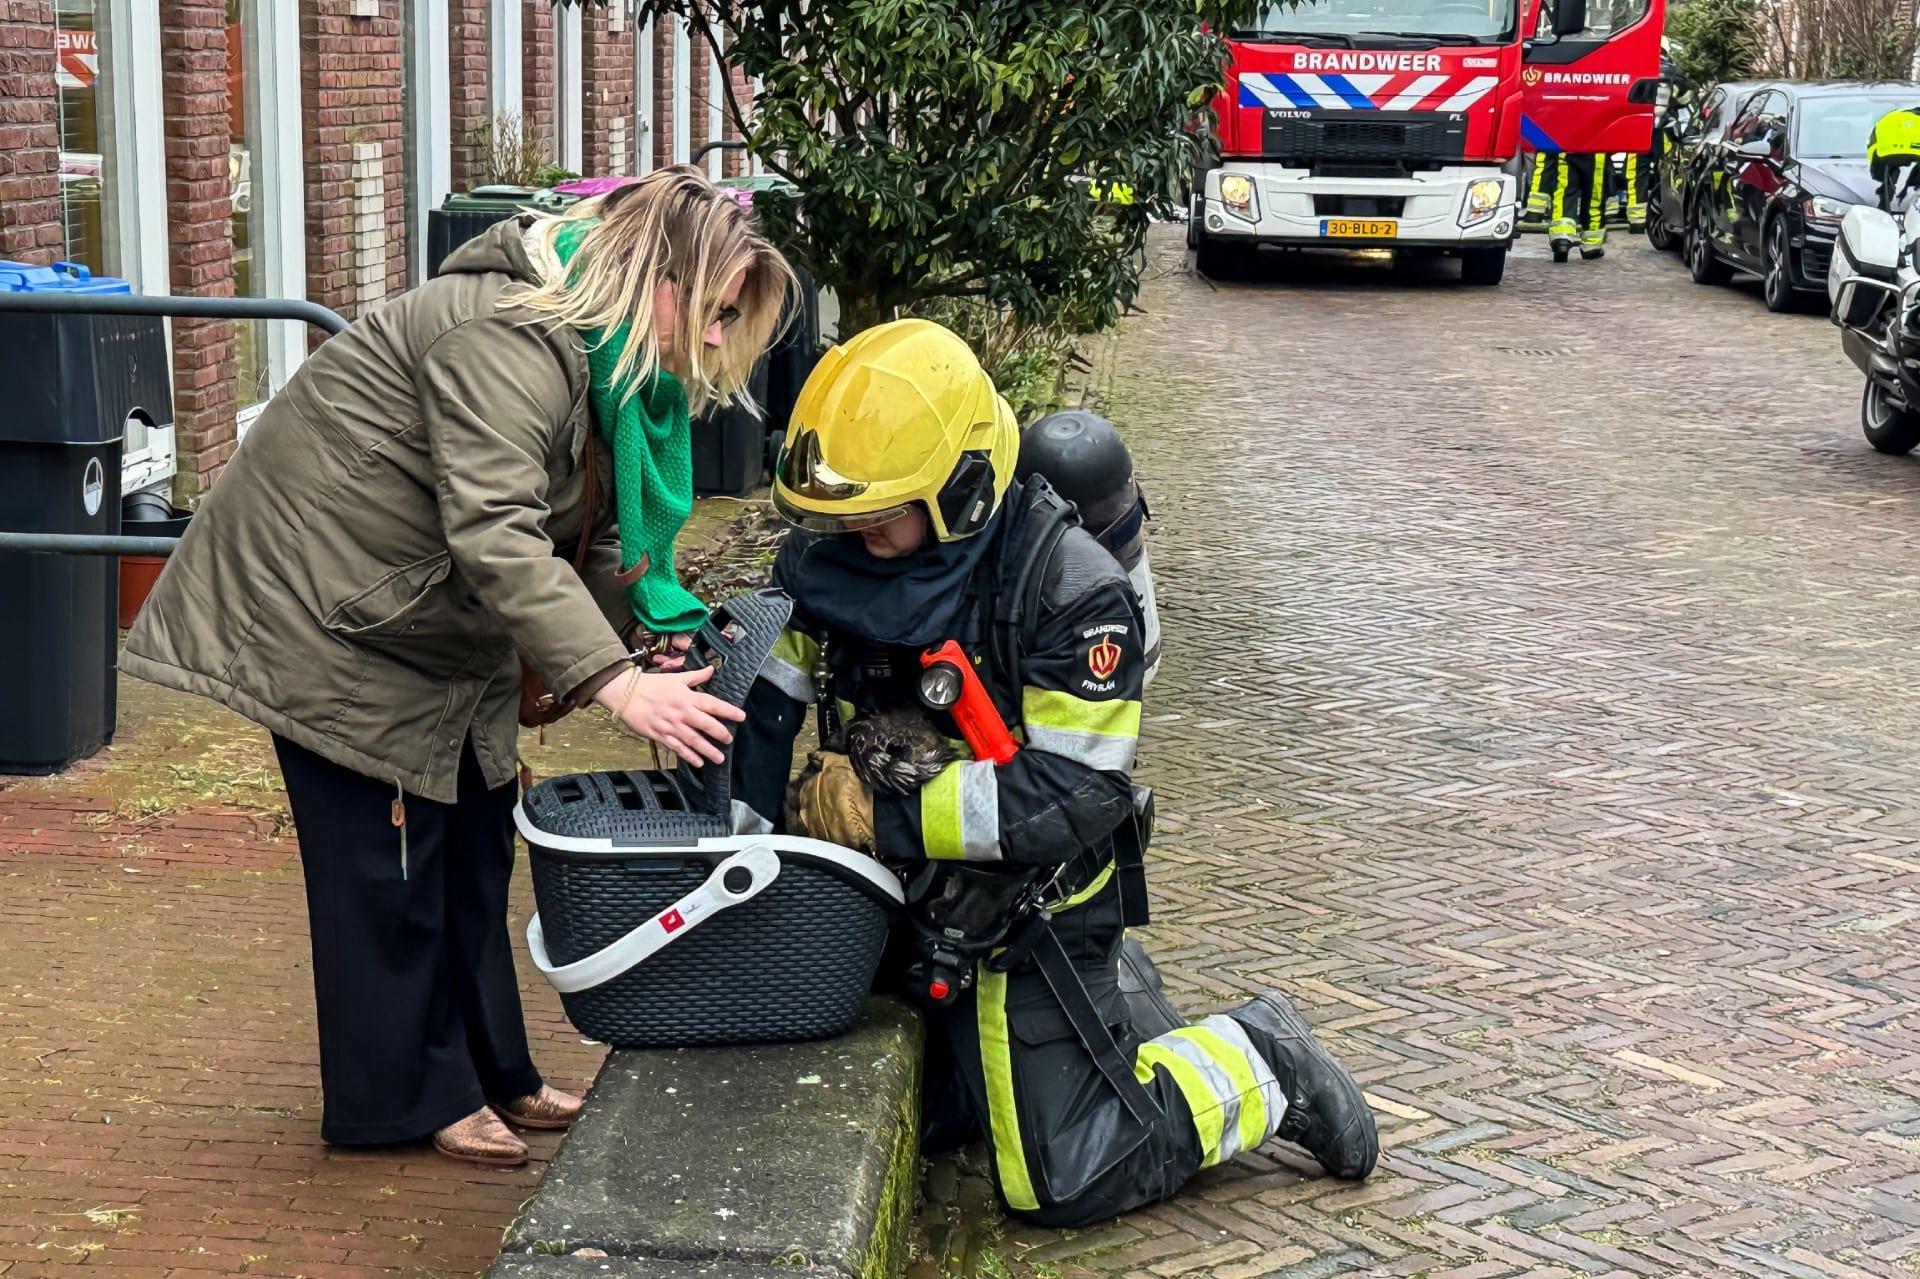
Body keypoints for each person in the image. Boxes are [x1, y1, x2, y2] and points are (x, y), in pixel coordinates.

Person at [123, 166, 794, 1166]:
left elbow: (603, 535)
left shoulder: (612, 369)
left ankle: (495, 1069)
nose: (712, 338)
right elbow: (498, 532)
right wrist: (615, 683)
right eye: (711, 308)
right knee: (386, 867)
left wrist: (659, 631)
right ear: (655, 273)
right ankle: (400, 1098)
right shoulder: (505, 338)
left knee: (479, 840)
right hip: (333, 615)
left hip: (430, 618)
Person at [732, 319, 1379, 1227]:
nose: (855, 536)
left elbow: (1074, 793)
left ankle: (1265, 1055)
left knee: (1061, 1177)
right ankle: (1115, 1015)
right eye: (841, 520)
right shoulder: (836, 564)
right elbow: (764, 707)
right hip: (907, 896)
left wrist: (885, 819)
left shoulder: (1070, 591)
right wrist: (746, 851)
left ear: (958, 488)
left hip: (1030, 900)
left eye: (877, 519)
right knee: (943, 1110)